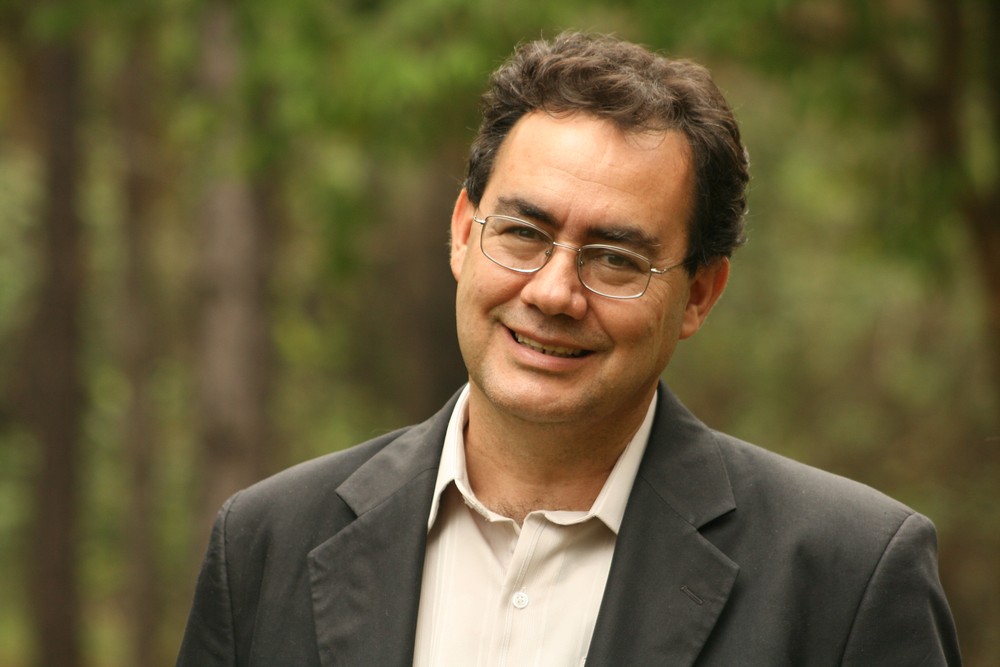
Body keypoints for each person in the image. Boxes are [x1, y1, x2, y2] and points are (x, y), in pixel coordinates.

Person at [176, 32, 961, 666]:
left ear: (699, 294)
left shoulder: (848, 577)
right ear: (462, 232)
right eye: (523, 233)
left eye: (615, 258)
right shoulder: (266, 545)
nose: (554, 292)